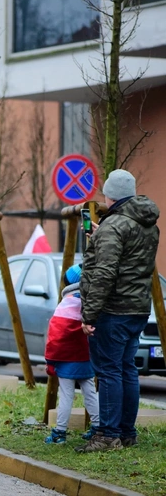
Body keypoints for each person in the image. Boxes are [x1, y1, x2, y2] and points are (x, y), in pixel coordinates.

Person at [76, 169, 160, 453]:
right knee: (127, 369)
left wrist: (89, 314)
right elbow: (128, 256)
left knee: (109, 370)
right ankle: (126, 432)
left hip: (113, 309)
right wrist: (102, 237)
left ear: (109, 194)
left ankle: (108, 435)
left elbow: (105, 272)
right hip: (137, 308)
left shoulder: (114, 226)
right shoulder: (146, 224)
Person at [44, 264, 100, 444]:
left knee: (66, 395)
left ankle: (60, 432)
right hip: (85, 358)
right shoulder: (89, 302)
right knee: (90, 393)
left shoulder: (65, 305)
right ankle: (98, 427)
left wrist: (50, 361)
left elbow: (55, 337)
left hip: (66, 360)